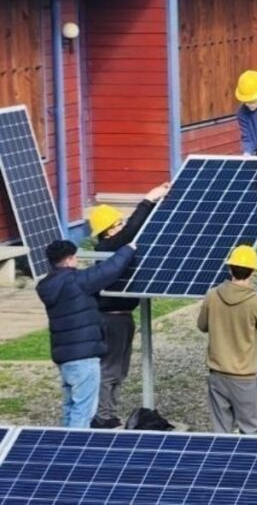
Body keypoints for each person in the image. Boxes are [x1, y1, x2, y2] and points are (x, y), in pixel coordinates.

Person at [87, 182, 170, 429]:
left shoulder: (114, 247)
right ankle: (103, 416)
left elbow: (134, 231)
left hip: (122, 317)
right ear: (109, 232)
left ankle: (108, 412)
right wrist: (148, 199)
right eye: (118, 225)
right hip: (110, 318)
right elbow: (133, 229)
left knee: (119, 370)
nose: (123, 227)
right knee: (110, 369)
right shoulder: (106, 249)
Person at [36, 239, 136, 428]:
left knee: (70, 406)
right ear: (68, 260)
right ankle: (75, 450)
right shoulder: (77, 281)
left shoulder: (46, 286)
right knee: (84, 410)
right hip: (84, 357)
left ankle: (62, 445)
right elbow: (109, 270)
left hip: (64, 357)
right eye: (74, 258)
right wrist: (128, 249)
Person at [197, 245, 257, 434]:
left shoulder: (212, 295)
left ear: (230, 269)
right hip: (244, 376)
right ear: (252, 272)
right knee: (250, 429)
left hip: (217, 373)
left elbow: (202, 326)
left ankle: (223, 462)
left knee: (221, 430)